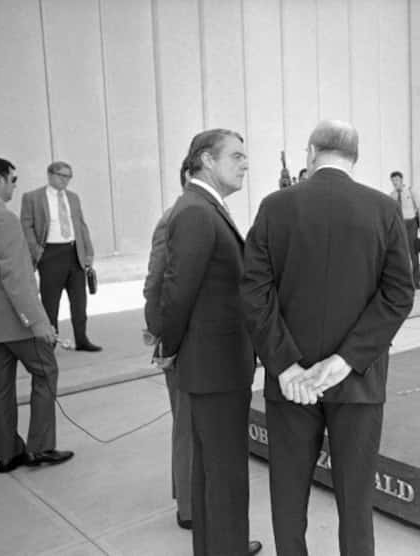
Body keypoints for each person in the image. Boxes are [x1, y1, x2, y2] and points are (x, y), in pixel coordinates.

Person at [241, 120, 414, 556]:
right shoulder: (383, 209)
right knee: (356, 501)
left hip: (291, 384)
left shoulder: (275, 206)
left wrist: (287, 365)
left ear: (311, 151)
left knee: (288, 495)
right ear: (354, 156)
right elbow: (398, 294)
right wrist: (345, 361)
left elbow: (254, 292)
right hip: (358, 380)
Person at [159, 129, 262, 556]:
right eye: (236, 156)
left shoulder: (202, 207)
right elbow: (178, 290)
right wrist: (169, 348)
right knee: (225, 468)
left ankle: (218, 545)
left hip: (214, 363)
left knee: (212, 467)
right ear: (206, 160)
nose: (245, 164)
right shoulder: (197, 212)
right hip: (214, 366)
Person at [0, 156, 74, 473]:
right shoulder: (4, 220)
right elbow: (18, 278)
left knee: (1, 385)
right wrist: (40, 323)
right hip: (17, 321)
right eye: (12, 179)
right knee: (46, 372)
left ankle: (7, 454)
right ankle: (40, 448)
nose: (14, 185)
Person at [142, 162, 192, 530]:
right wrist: (161, 337)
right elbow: (157, 282)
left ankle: (189, 498)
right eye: (233, 157)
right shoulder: (176, 217)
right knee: (189, 427)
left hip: (192, 341)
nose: (243, 164)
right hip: (184, 343)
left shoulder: (193, 213)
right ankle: (190, 508)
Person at [20, 161, 100, 351]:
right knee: (50, 302)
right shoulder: (33, 197)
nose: (66, 180)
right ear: (50, 175)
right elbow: (26, 226)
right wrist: (38, 252)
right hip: (50, 253)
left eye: (69, 177)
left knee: (79, 302)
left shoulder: (73, 197)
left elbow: (81, 225)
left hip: (74, 252)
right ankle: (50, 341)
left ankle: (82, 339)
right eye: (62, 175)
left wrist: (88, 253)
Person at [389, 170, 420, 289]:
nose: (395, 183)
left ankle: (416, 281)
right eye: (393, 181)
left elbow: (419, 208)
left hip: (411, 224)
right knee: (401, 253)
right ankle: (404, 281)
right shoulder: (392, 195)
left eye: (397, 180)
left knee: (413, 253)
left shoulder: (410, 191)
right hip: (399, 225)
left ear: (401, 180)